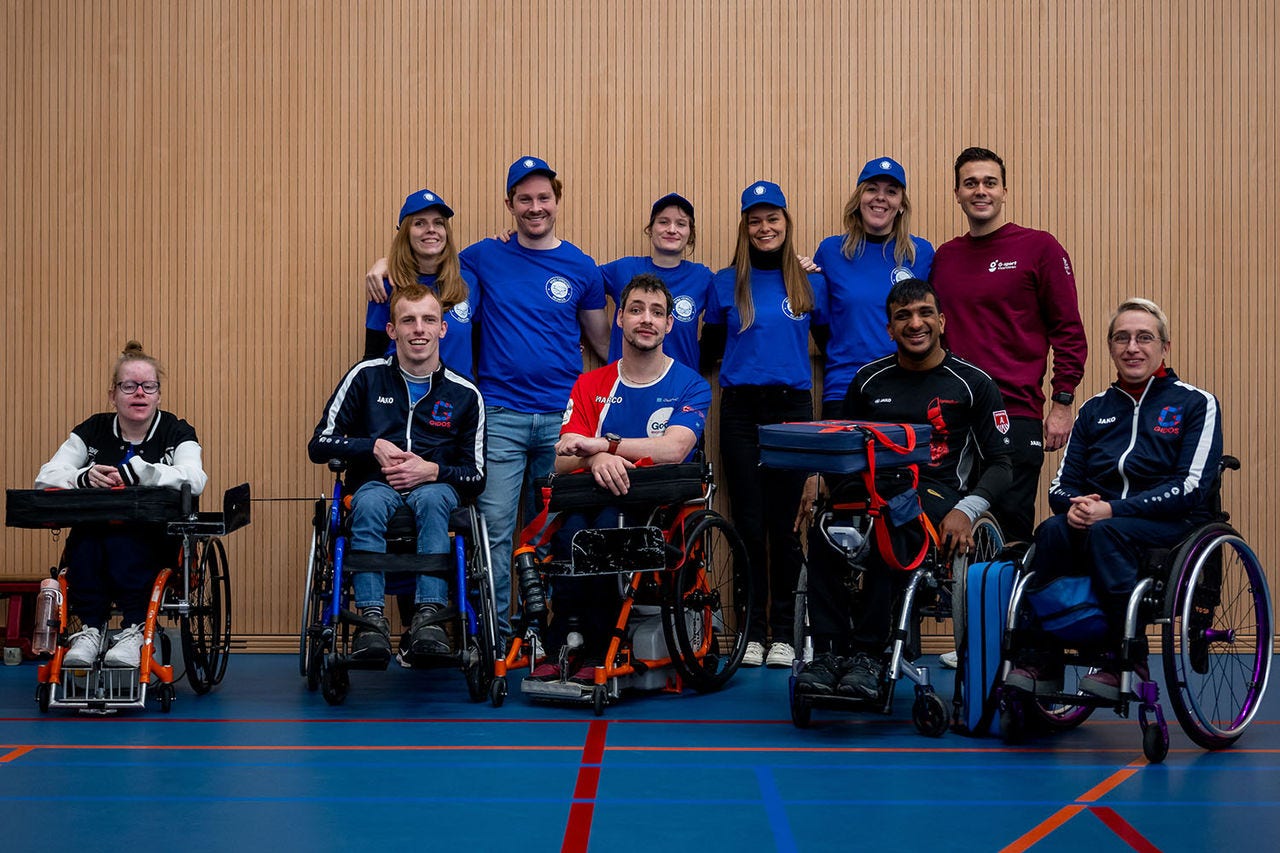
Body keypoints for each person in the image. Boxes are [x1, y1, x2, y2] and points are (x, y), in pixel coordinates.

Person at [367, 157, 609, 642]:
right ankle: (495, 636)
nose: (535, 207)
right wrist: (384, 264)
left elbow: (604, 345)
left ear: (557, 201)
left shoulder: (582, 266)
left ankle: (549, 634)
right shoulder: (480, 258)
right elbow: (426, 263)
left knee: (555, 528)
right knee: (493, 529)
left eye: (543, 198)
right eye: (525, 199)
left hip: (564, 421)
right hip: (498, 415)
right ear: (509, 204)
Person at [793, 279, 1012, 698]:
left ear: (942, 321)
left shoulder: (973, 383)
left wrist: (967, 510)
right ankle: (827, 655)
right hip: (871, 488)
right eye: (903, 316)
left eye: (925, 313)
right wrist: (818, 475)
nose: (915, 323)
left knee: (890, 521)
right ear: (889, 328)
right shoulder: (868, 380)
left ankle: (869, 656)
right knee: (824, 526)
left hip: (935, 494)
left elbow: (1003, 465)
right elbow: (843, 446)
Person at [1006, 298, 1222, 700]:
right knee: (1051, 531)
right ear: (1110, 347)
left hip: (1170, 525)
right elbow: (1060, 487)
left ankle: (1126, 658)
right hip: (1101, 522)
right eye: (1122, 338)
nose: (1132, 348)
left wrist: (1111, 510)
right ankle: (1041, 658)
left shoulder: (1196, 403)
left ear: (1165, 346)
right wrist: (1077, 506)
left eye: (1144, 338)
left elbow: (1190, 486)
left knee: (1109, 532)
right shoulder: (1093, 410)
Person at [533, 273, 712, 681]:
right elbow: (563, 460)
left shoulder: (691, 384)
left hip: (655, 506)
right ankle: (566, 639)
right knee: (571, 529)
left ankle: (598, 647)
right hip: (591, 498)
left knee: (604, 531)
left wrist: (603, 446)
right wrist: (596, 459)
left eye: (656, 312)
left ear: (669, 324)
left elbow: (674, 449)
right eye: (636, 310)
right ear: (619, 319)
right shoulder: (589, 383)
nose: (646, 319)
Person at [309, 284, 486, 662]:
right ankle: (370, 621)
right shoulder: (365, 376)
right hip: (374, 485)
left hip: (436, 491)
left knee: (433, 498)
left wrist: (433, 470)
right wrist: (370, 446)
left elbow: (476, 476)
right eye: (408, 320)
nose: (418, 329)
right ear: (392, 330)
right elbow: (319, 445)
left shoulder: (466, 394)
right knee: (370, 502)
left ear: (442, 329)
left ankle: (429, 617)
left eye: (428, 320)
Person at [930, 146, 1087, 544]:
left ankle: (1009, 589)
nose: (980, 190)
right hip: (953, 419)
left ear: (1004, 191)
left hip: (1014, 413)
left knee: (1010, 535)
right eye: (970, 183)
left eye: (990, 182)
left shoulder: (1040, 248)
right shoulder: (945, 257)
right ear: (957, 193)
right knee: (950, 533)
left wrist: (1063, 403)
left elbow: (1068, 330)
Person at [701, 181, 828, 668]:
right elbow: (709, 351)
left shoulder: (810, 283)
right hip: (740, 410)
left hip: (791, 409)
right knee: (749, 524)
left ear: (785, 223)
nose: (764, 228)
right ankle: (751, 633)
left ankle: (786, 634)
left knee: (786, 524)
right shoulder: (724, 282)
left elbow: (830, 345)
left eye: (772, 218)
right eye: (755, 220)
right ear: (745, 227)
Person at [35, 341, 208, 669]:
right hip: (93, 538)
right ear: (113, 394)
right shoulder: (92, 430)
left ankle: (134, 628)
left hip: (154, 539)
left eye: (148, 386)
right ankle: (90, 629)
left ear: (158, 395)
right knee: (89, 537)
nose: (139, 393)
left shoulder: (176, 431)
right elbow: (45, 478)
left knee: (124, 537)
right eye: (129, 386)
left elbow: (194, 478)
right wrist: (83, 477)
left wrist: (141, 472)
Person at [813, 156, 935, 419]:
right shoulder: (830, 251)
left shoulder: (921, 253)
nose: (880, 198)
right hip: (845, 387)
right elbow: (820, 323)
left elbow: (932, 323)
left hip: (908, 387)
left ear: (901, 205)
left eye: (891, 191)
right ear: (859, 198)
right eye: (872, 189)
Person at [362, 189, 479, 377]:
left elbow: (479, 350)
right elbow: (373, 357)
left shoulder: (468, 282)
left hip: (458, 392)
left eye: (438, 223)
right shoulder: (387, 284)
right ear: (405, 233)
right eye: (419, 223)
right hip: (402, 392)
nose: (431, 229)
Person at [598, 193, 713, 372]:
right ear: (650, 229)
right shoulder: (623, 269)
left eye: (681, 224)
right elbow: (579, 283)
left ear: (690, 234)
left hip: (680, 383)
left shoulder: (703, 278)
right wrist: (570, 334)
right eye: (663, 222)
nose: (672, 229)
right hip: (625, 381)